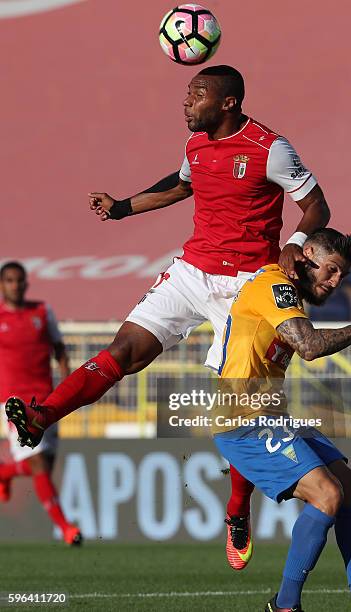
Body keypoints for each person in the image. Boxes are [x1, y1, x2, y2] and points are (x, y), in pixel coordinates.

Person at [4, 65, 329, 561]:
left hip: (249, 283)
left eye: (197, 94)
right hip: (194, 269)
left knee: (242, 405)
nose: (186, 102)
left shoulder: (270, 148)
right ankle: (42, 415)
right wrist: (121, 208)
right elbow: (181, 186)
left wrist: (297, 244)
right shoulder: (196, 144)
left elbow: (316, 206)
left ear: (228, 102)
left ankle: (237, 508)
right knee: (124, 351)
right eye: (186, 94)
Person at [211, 228, 351, 612]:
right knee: (327, 494)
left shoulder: (288, 295)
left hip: (269, 416)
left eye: (342, 277)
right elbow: (311, 347)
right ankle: (285, 605)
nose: (334, 282)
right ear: (308, 254)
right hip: (241, 420)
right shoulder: (275, 287)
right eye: (331, 270)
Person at [0, 262, 82, 546]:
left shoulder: (43, 312)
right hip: (13, 403)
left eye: (19, 280)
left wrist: (66, 378)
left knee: (43, 463)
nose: (16, 285)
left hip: (46, 399)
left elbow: (59, 348)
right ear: (2, 285)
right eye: (9, 280)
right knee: (37, 463)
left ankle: (3, 473)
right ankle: (66, 528)